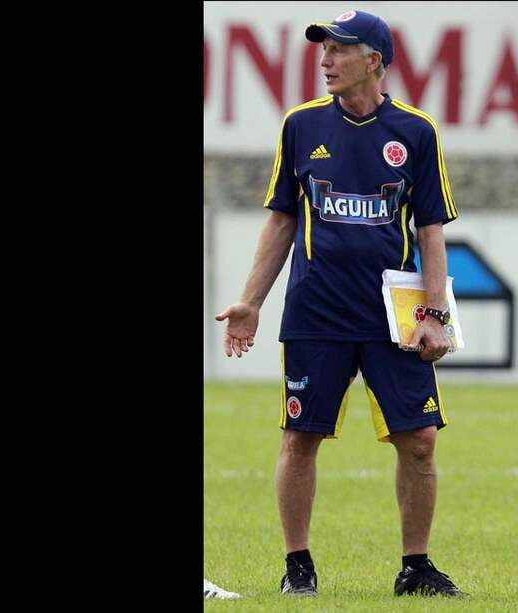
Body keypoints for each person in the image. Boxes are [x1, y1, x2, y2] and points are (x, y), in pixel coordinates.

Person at [215, 9, 467, 599]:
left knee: (421, 440)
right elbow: (281, 218)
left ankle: (417, 568)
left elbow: (431, 229)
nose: (324, 60)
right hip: (316, 311)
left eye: (338, 49)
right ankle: (298, 567)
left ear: (373, 60)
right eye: (322, 49)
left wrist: (435, 314)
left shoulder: (417, 132)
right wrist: (251, 300)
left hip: (392, 316)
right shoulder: (300, 125)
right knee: (300, 437)